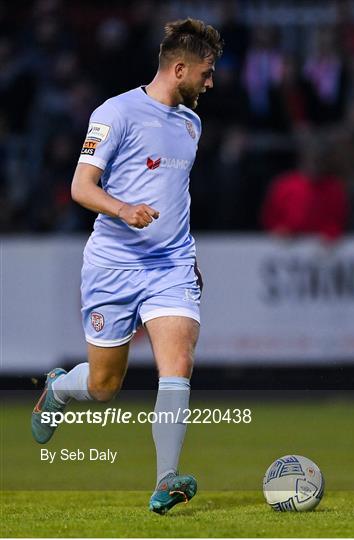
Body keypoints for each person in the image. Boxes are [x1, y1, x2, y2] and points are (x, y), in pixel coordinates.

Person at [31, 18, 224, 515]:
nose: (211, 82)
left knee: (177, 364)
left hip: (171, 266)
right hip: (113, 266)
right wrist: (122, 209)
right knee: (104, 386)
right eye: (205, 72)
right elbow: (80, 186)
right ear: (178, 68)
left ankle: (166, 481)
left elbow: (173, 195)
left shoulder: (191, 124)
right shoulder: (114, 113)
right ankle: (58, 389)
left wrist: (188, 254)